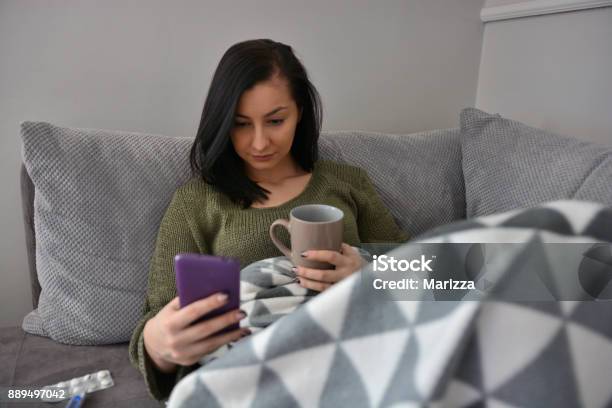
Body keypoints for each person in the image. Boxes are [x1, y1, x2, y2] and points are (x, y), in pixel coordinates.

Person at [128, 38, 409, 401]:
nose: (259, 143)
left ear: (300, 113)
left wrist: (368, 276)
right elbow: (154, 323)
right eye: (241, 124)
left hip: (355, 353)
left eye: (275, 120)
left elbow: (426, 270)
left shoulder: (347, 182)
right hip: (256, 374)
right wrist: (160, 343)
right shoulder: (195, 203)